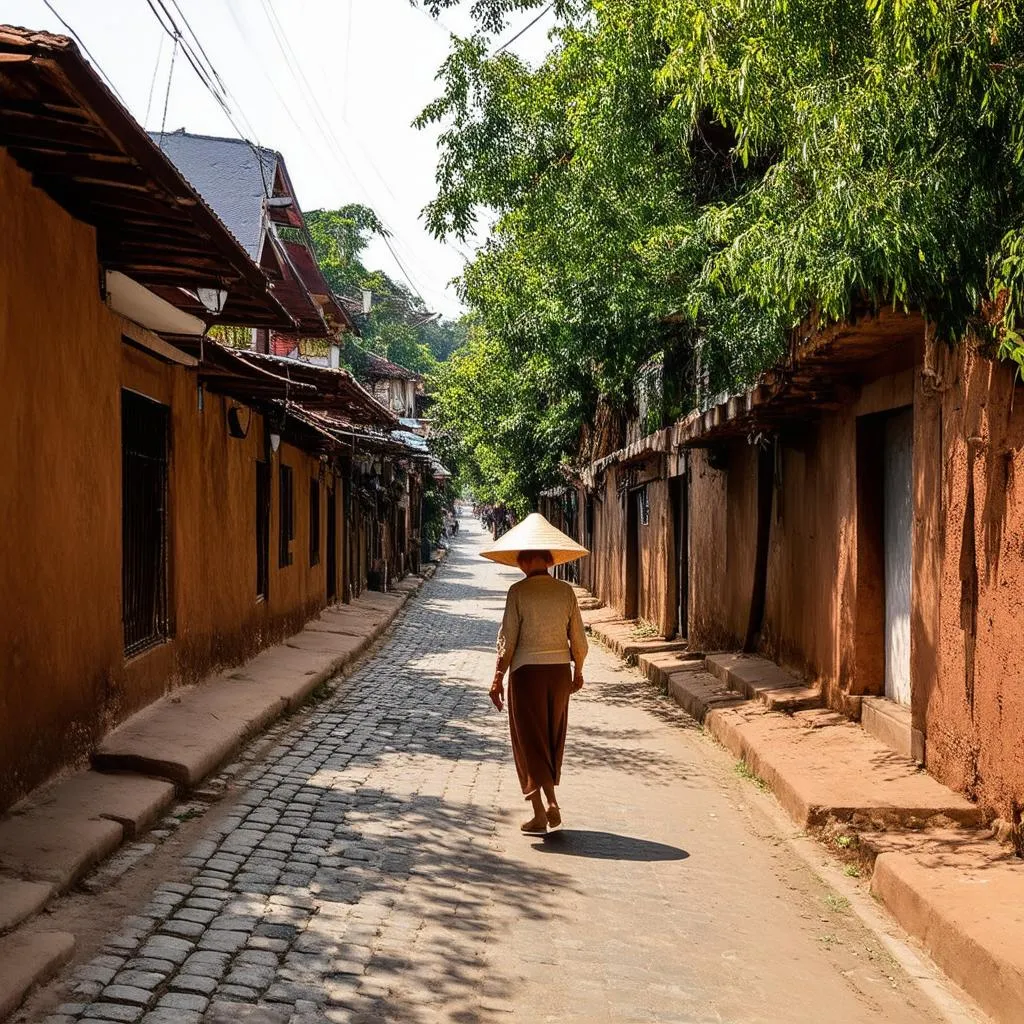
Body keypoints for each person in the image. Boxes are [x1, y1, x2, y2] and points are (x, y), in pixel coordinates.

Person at [480, 513, 590, 836]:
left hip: (526, 676)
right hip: (559, 674)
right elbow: (579, 641)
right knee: (550, 738)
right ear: (550, 559)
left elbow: (508, 641)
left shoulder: (518, 593)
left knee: (529, 741)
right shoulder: (565, 592)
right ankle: (551, 801)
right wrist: (578, 671)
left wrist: (497, 678)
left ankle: (541, 811)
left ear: (525, 560)